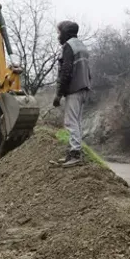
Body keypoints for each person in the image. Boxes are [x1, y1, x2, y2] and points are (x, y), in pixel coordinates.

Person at [53, 21, 91, 167]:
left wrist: (58, 94)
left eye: (59, 33)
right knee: (77, 122)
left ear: (66, 33)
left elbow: (66, 71)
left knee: (70, 122)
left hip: (74, 89)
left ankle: (75, 153)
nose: (58, 36)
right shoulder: (82, 46)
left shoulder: (69, 46)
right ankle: (74, 152)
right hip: (84, 88)